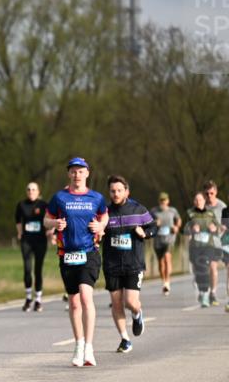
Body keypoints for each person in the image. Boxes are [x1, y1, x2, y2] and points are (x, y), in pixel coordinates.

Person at [43, 157, 109, 367]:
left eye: (80, 171)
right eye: (73, 171)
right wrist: (54, 223)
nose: (77, 175)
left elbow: (104, 216)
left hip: (89, 252)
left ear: (87, 173)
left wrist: (101, 227)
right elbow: (46, 219)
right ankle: (78, 345)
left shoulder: (96, 197)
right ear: (69, 174)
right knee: (73, 302)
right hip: (67, 254)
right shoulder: (59, 197)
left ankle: (89, 347)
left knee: (86, 296)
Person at [101, 175, 156, 353]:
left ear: (126, 191)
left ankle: (137, 314)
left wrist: (145, 234)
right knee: (116, 304)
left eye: (119, 190)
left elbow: (153, 227)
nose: (115, 194)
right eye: (112, 191)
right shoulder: (105, 213)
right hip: (112, 264)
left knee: (130, 302)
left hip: (134, 263)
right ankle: (125, 339)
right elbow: (97, 231)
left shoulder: (138, 209)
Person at [15, 181, 50, 311]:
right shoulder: (21, 205)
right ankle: (28, 297)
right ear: (26, 191)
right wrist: (19, 232)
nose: (31, 192)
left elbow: (49, 219)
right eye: (29, 189)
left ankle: (39, 299)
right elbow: (18, 220)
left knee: (38, 269)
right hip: (26, 241)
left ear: (38, 191)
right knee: (27, 268)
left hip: (40, 240)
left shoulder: (43, 205)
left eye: (34, 189)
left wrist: (50, 231)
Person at [186, 191, 221, 308]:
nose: (198, 202)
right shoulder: (190, 213)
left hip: (208, 246)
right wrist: (191, 229)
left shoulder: (210, 213)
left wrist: (214, 228)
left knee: (205, 267)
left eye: (200, 200)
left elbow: (219, 228)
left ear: (204, 201)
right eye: (196, 200)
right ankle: (201, 291)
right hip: (195, 246)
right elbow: (185, 229)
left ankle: (205, 294)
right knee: (198, 270)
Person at [150, 192, 182, 295]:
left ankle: (167, 282)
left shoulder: (173, 211)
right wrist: (155, 223)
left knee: (167, 258)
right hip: (158, 240)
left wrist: (177, 227)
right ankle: (163, 282)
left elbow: (179, 220)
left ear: (168, 201)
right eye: (161, 200)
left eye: (164, 200)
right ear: (159, 201)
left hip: (169, 239)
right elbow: (147, 223)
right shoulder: (154, 211)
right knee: (160, 262)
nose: (163, 202)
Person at [204, 180, 226, 304]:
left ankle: (212, 292)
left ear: (216, 192)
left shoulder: (222, 206)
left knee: (212, 266)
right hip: (202, 242)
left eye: (211, 193)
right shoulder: (202, 206)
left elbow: (226, 225)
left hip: (216, 242)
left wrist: (216, 228)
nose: (209, 196)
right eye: (207, 194)